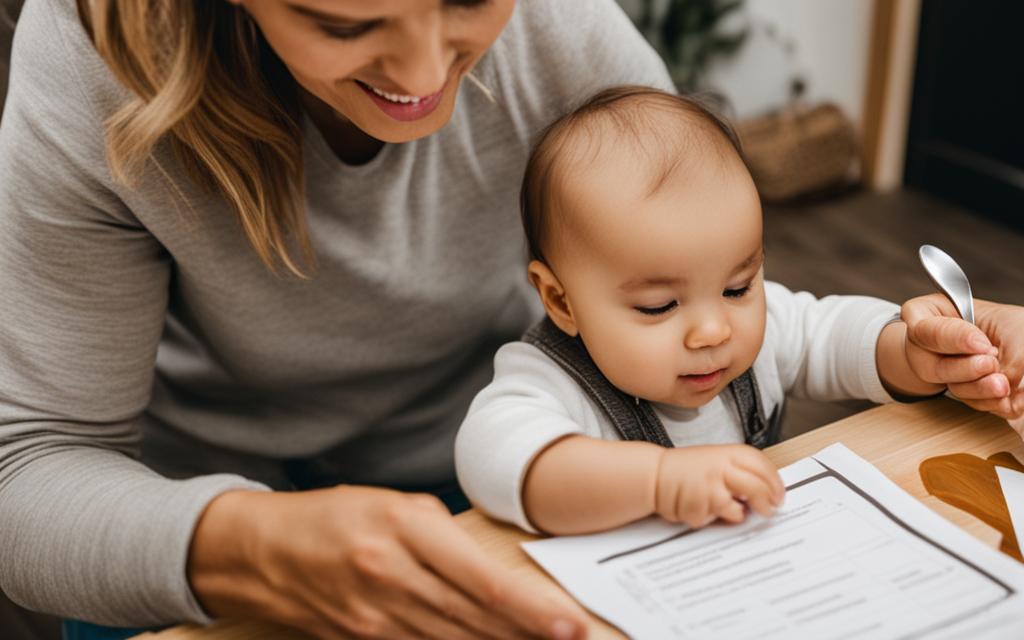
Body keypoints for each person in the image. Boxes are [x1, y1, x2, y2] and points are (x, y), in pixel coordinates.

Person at [0, 2, 1021, 640]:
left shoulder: (564, 33)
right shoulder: (88, 68)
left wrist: (905, 341)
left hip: (498, 511)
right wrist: (244, 542)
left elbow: (742, 299)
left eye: (468, 0)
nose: (421, 73)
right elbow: (28, 476)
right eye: (346, 23)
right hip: (190, 520)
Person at [455, 86, 1024, 536]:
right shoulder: (549, 380)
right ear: (561, 300)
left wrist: (915, 355)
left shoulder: (756, 331)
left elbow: (832, 337)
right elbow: (496, 458)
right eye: (659, 306)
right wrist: (658, 482)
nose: (712, 330)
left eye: (737, 287)